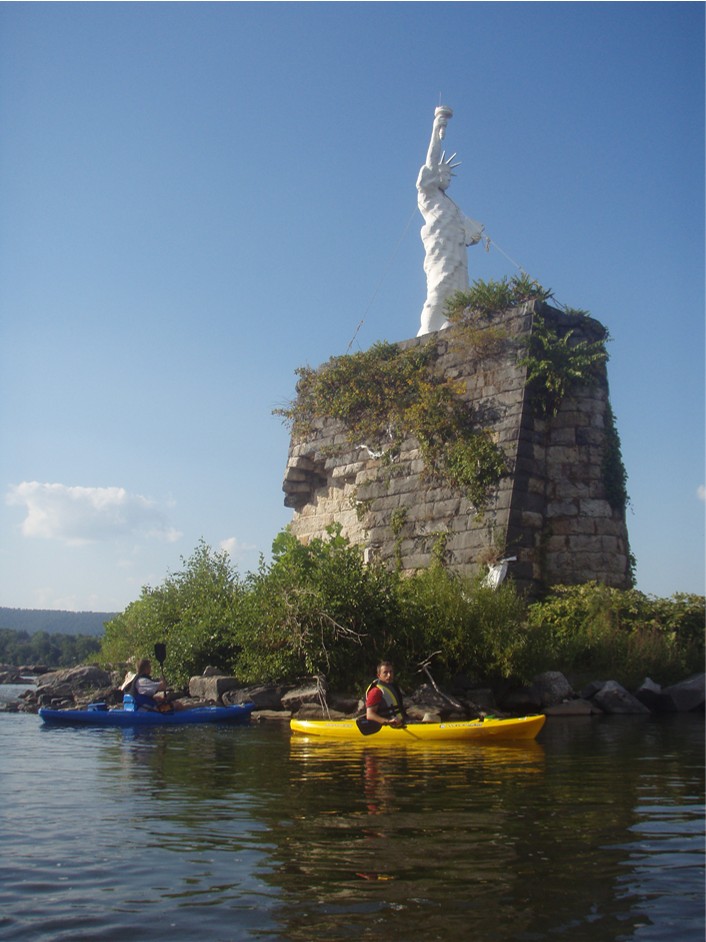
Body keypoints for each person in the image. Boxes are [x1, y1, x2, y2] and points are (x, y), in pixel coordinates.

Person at [417, 105, 484, 336]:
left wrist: (473, 234)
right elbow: (431, 161)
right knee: (438, 289)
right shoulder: (428, 194)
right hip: (440, 251)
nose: (446, 178)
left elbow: (467, 231)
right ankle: (427, 330)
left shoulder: (452, 205)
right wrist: (437, 129)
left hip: (457, 254)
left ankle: (451, 322)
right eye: (442, 174)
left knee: (458, 291)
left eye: (449, 175)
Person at [365, 661, 406, 727]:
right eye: (385, 672)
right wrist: (388, 721)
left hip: (401, 721)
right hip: (388, 724)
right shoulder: (376, 691)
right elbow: (370, 715)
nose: (389, 675)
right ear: (379, 675)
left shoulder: (393, 687)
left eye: (391, 672)